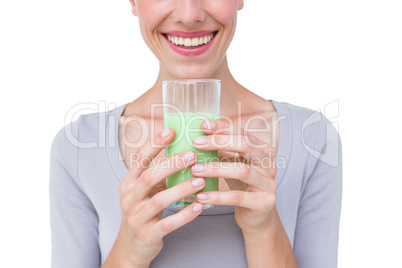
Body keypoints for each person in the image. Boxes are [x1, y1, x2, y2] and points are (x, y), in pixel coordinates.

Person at [49, 1, 342, 267]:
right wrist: (128, 251)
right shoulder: (79, 145)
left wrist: (263, 230)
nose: (189, 16)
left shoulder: (312, 138)